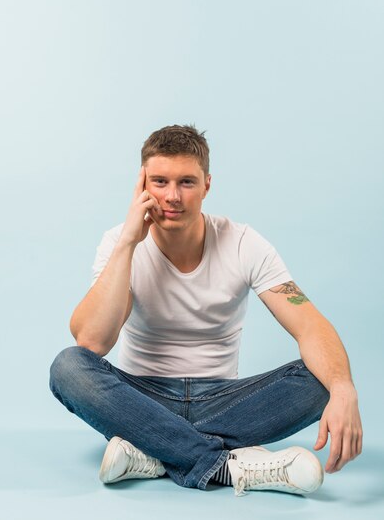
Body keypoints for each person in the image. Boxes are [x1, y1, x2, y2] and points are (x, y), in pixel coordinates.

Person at [49, 124, 363, 497]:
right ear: (142, 185)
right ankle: (226, 465)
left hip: (225, 402)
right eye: (160, 182)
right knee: (68, 366)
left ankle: (154, 452)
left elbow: (310, 326)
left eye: (186, 182)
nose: (172, 196)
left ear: (207, 185)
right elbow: (92, 340)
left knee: (322, 380)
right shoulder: (120, 243)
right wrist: (129, 243)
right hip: (140, 398)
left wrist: (343, 387)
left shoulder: (244, 243)